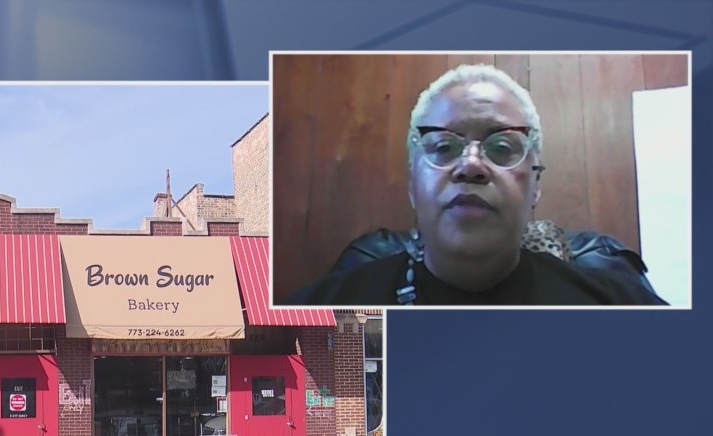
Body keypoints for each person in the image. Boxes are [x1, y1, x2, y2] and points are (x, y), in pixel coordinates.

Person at [286, 64, 667, 306]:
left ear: (535, 185)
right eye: (443, 147)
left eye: (501, 148)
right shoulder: (317, 320)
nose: (470, 165)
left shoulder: (622, 307)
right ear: (413, 184)